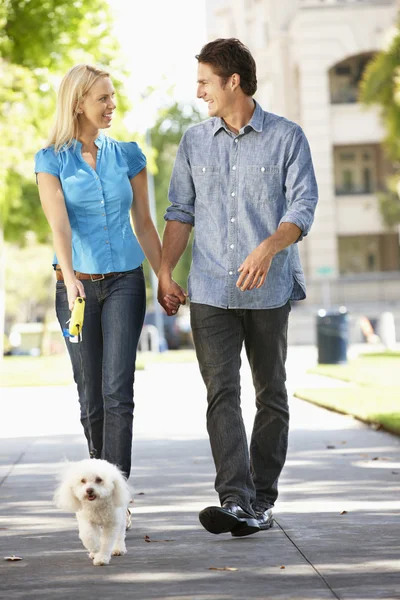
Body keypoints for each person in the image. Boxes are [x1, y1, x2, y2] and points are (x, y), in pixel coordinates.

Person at [158, 38, 318, 537]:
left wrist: (268, 248)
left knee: (271, 394)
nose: (199, 90)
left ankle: (260, 500)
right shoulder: (193, 141)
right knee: (221, 393)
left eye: (205, 80)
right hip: (208, 290)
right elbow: (180, 213)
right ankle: (235, 499)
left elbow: (302, 207)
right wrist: (165, 272)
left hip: (267, 293)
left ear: (233, 82)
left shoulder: (287, 138)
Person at [35, 65, 177, 507]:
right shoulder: (51, 159)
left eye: (112, 97)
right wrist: (72, 277)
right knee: (90, 394)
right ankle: (96, 487)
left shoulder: (129, 155)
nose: (111, 105)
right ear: (78, 102)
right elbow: (59, 227)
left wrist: (165, 274)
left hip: (124, 283)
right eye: (103, 98)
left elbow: (145, 223)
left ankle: (118, 497)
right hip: (74, 289)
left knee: (118, 389)